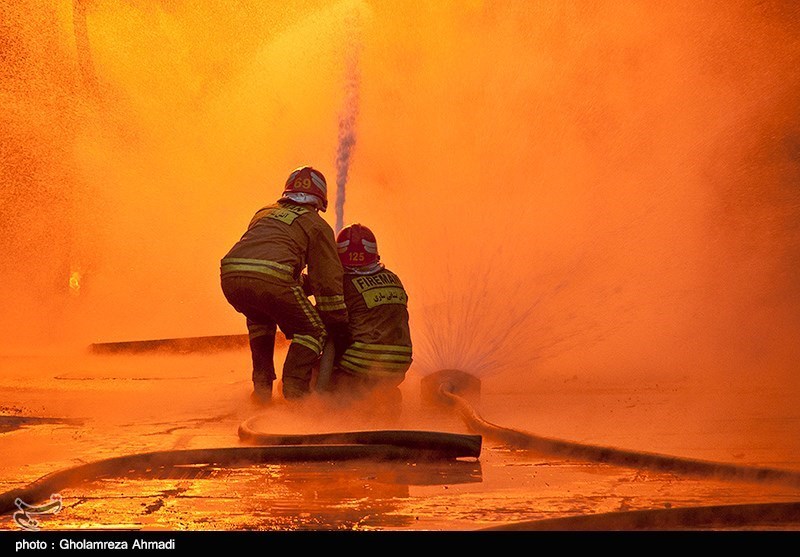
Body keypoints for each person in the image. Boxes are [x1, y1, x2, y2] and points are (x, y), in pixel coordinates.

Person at [220, 165, 349, 404]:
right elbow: (327, 280)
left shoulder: (264, 212)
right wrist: (337, 319)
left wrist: (302, 286)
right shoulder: (317, 225)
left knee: (260, 320)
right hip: (273, 280)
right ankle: (295, 392)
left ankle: (261, 391)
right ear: (320, 199)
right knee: (313, 330)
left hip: (231, 276)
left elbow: (269, 259)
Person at [326, 223, 412, 419]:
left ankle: (337, 410)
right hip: (399, 364)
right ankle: (384, 398)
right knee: (376, 386)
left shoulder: (344, 283)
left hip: (362, 363)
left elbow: (330, 320)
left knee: (316, 375)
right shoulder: (393, 278)